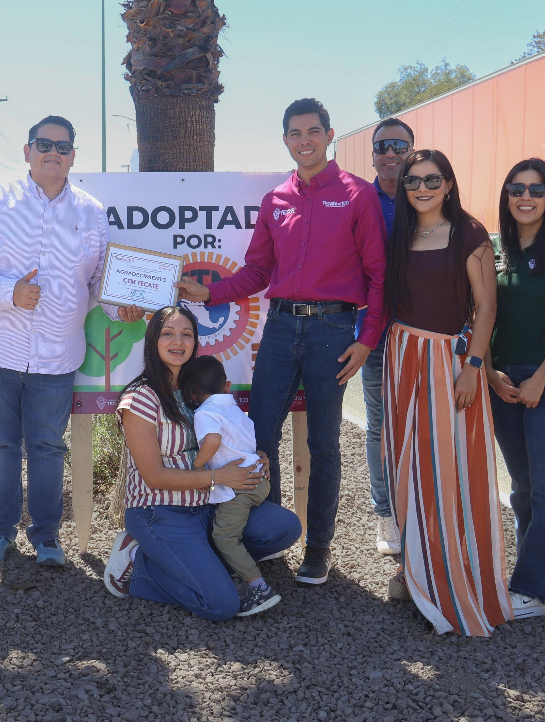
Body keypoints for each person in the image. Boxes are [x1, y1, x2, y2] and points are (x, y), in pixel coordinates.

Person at [176, 97, 386, 585]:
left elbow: (379, 276)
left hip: (333, 331)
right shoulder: (277, 200)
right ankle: (267, 537)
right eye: (295, 133)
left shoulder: (357, 195)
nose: (304, 140)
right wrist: (210, 292)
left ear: (329, 135)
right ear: (286, 140)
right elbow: (255, 271)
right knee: (258, 435)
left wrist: (366, 337)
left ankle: (318, 548)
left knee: (323, 443)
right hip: (279, 328)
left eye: (313, 131)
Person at [0, 115, 136, 567]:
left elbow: (97, 283)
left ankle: (46, 536)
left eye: (62, 146)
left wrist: (122, 308)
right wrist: (8, 292)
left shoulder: (92, 212)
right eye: (43, 143)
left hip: (57, 355)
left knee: (48, 446)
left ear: (74, 155)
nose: (52, 152)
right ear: (28, 151)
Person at [381, 149, 513, 637]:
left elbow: (487, 309)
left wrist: (472, 368)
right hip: (400, 357)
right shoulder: (401, 235)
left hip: (447, 361)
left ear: (449, 184)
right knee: (403, 463)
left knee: (446, 468)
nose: (421, 187)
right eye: (413, 180)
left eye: (431, 179)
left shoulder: (469, 234)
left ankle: (450, 573)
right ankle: (413, 563)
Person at [103, 307, 302, 620]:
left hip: (209, 505)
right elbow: (153, 477)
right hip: (160, 511)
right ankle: (140, 565)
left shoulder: (197, 391)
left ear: (196, 342)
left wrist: (253, 458)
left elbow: (226, 439)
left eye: (187, 334)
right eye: (168, 333)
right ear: (153, 339)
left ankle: (198, 563)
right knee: (221, 605)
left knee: (284, 527)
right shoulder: (140, 398)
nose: (178, 341)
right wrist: (220, 477)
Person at [486, 158, 545, 620]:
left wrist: (541, 379)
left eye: (537, 190)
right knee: (521, 487)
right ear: (506, 196)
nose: (526, 197)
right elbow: (478, 316)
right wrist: (488, 373)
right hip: (502, 381)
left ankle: (535, 590)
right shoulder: (491, 248)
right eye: (517, 188)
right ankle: (541, 577)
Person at [183, 355, 279, 616]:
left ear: (192, 394)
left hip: (241, 488)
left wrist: (199, 466)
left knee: (224, 536)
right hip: (258, 480)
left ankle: (258, 587)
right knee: (227, 526)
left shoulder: (205, 412)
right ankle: (233, 568)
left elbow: (212, 441)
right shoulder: (234, 409)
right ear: (227, 386)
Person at [363, 117, 414, 556]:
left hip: (427, 331)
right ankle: (386, 515)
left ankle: (420, 510)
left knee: (424, 421)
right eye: (382, 147)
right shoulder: (362, 199)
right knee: (380, 424)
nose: (390, 153)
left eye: (399, 145)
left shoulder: (429, 193)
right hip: (377, 331)